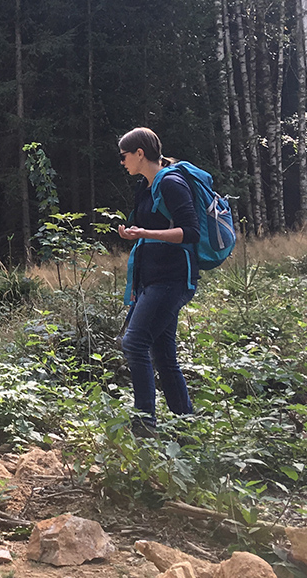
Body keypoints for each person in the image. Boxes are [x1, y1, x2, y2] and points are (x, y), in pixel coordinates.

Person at [117, 127, 199, 438]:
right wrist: (132, 232)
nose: (122, 162)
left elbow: (190, 232)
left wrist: (147, 234)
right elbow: (148, 226)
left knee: (134, 343)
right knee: (163, 355)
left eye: (124, 156)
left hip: (173, 280)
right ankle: (187, 427)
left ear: (140, 153)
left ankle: (144, 427)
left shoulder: (172, 183)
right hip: (151, 281)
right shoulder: (145, 186)